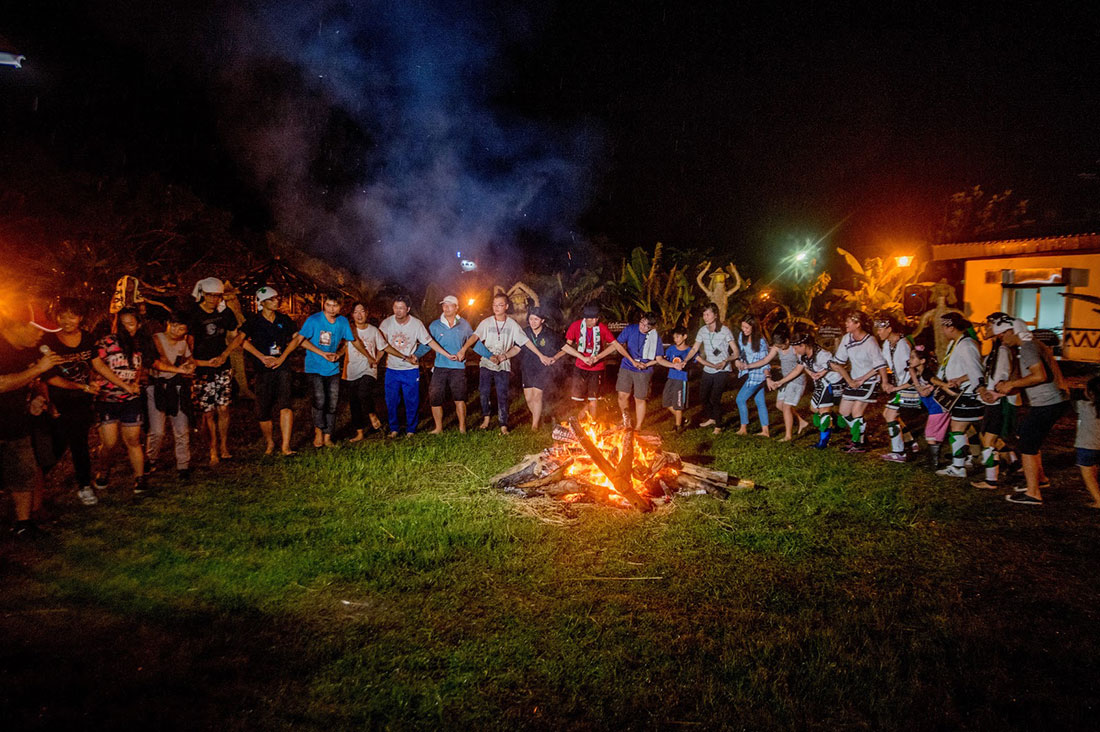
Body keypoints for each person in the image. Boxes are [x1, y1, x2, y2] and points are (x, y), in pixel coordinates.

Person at [1, 300, 63, 538]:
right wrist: (38, 369)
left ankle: (23, 523)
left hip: (16, 423)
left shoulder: (27, 351)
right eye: (36, 328)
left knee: (23, 472)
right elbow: (2, 383)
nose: (40, 335)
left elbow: (32, 381)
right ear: (15, 325)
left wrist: (38, 397)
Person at [993, 318, 1069, 505]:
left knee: (1027, 444)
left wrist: (1010, 384)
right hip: (1053, 400)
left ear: (1013, 331)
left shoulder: (1027, 347)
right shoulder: (1033, 344)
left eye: (1002, 334)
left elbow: (1039, 376)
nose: (1000, 339)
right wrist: (1001, 392)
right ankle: (1039, 480)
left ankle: (1033, 493)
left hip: (1048, 402)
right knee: (1028, 436)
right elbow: (1036, 378)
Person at [465, 293, 552, 434]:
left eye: (500, 305)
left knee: (502, 394)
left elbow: (525, 342)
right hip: (486, 362)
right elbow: (475, 337)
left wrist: (540, 355)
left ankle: (503, 424)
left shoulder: (512, 325)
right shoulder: (486, 322)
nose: (496, 308)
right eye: (494, 305)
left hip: (503, 364)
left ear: (506, 306)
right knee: (484, 392)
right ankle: (486, 419)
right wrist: (464, 349)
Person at [41, 298, 100, 505]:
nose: (66, 320)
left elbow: (95, 365)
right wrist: (81, 387)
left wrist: (94, 382)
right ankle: (32, 489)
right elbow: (49, 377)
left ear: (80, 318)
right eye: (62, 315)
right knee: (54, 449)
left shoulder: (87, 338)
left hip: (81, 403)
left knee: (80, 445)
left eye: (72, 316)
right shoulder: (48, 341)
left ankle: (84, 486)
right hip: (57, 404)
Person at [379, 295, 456, 437]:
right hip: (392, 369)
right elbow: (381, 344)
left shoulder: (416, 324)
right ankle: (394, 428)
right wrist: (374, 360)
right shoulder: (386, 323)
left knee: (411, 400)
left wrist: (445, 354)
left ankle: (411, 429)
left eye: (401, 308)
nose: (398, 311)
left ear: (408, 309)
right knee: (391, 400)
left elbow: (429, 342)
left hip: (410, 370)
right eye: (396, 307)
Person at [187, 277, 245, 465]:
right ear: (203, 294)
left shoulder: (225, 313)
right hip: (202, 368)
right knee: (208, 412)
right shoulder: (194, 314)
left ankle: (224, 446)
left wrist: (225, 354)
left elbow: (236, 336)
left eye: (217, 296)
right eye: (210, 296)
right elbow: (187, 344)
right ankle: (212, 448)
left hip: (222, 365)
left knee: (224, 408)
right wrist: (200, 363)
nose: (214, 300)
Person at [91, 307, 147, 494]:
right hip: (108, 399)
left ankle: (139, 478)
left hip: (131, 400)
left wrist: (137, 382)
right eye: (122, 324)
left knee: (133, 439)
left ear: (138, 325)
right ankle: (103, 470)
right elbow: (96, 367)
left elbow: (140, 369)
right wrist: (123, 385)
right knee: (110, 442)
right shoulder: (106, 343)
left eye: (131, 324)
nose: (126, 328)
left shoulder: (138, 345)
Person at [241, 287, 301, 454]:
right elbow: (242, 341)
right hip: (263, 369)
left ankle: (286, 445)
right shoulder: (253, 321)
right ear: (262, 302)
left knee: (286, 405)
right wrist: (261, 357)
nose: (276, 301)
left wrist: (283, 357)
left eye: (277, 298)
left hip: (283, 367)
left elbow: (297, 339)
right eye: (272, 299)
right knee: (263, 409)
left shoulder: (284, 319)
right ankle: (269, 442)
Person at [296, 292, 356, 447]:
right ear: (324, 304)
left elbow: (348, 342)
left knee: (332, 403)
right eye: (328, 305)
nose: (331, 309)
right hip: (314, 367)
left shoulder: (342, 322)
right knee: (320, 400)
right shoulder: (314, 320)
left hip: (333, 368)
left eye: (335, 305)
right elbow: (301, 341)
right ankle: (318, 433)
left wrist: (339, 354)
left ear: (341, 307)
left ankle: (328, 437)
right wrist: (321, 353)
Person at [970, 313, 1022, 489]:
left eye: (989, 325)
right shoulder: (995, 350)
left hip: (997, 401)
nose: (986, 329)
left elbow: (1002, 377)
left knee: (988, 441)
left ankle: (991, 479)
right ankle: (1014, 463)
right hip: (992, 400)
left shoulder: (1002, 350)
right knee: (991, 437)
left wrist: (991, 393)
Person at [934, 313, 986, 478]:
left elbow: (976, 369)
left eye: (944, 326)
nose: (942, 330)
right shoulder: (955, 344)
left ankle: (958, 467)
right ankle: (970, 458)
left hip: (967, 394)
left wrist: (961, 380)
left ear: (951, 327)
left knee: (957, 429)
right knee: (972, 430)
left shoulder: (967, 345)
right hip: (960, 394)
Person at [145, 310, 195, 480]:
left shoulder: (183, 343)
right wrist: (178, 369)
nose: (175, 330)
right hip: (157, 387)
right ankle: (150, 459)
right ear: (167, 323)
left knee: (181, 427)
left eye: (180, 328)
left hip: (177, 388)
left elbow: (189, 359)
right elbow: (154, 362)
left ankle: (183, 464)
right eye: (173, 325)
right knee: (157, 431)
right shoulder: (156, 339)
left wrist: (190, 366)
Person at [829, 311, 889, 453]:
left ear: (858, 324)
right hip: (854, 380)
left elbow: (880, 365)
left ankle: (859, 443)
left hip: (870, 381)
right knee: (843, 412)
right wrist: (847, 379)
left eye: (849, 321)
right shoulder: (846, 338)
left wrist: (883, 382)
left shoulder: (870, 341)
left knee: (857, 412)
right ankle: (860, 435)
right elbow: (838, 362)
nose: (846, 324)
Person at [771, 331, 843, 449]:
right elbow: (797, 370)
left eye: (795, 348)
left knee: (823, 412)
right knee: (814, 408)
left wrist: (822, 372)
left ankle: (823, 443)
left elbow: (835, 366)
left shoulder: (822, 355)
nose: (794, 351)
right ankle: (836, 422)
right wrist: (780, 382)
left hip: (833, 383)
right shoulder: (802, 355)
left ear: (803, 345)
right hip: (821, 384)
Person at [598, 311, 660, 430]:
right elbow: (617, 345)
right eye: (642, 323)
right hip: (627, 366)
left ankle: (638, 427)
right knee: (622, 395)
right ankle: (626, 419)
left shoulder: (655, 338)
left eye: (647, 326)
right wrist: (599, 357)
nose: (642, 327)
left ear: (651, 327)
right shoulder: (631, 329)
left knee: (639, 398)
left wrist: (646, 364)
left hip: (643, 370)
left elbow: (659, 358)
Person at [685, 304, 736, 435]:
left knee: (714, 398)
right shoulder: (702, 330)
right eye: (704, 315)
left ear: (716, 315)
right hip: (708, 368)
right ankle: (712, 418)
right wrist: (685, 360)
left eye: (708, 314)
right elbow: (695, 348)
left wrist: (726, 360)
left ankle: (718, 425)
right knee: (703, 396)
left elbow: (736, 352)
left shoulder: (725, 331)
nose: (705, 317)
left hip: (722, 369)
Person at [875, 315, 920, 463]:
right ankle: (910, 442)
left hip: (910, 386)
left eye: (880, 329)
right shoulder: (887, 344)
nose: (878, 332)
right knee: (889, 414)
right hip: (900, 386)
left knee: (889, 415)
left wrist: (899, 387)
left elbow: (913, 369)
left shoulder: (903, 344)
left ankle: (899, 452)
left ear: (889, 329)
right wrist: (886, 382)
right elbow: (885, 365)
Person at [427, 295, 474, 434]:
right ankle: (438, 428)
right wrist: (415, 355)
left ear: (456, 307)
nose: (446, 308)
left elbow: (472, 340)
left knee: (459, 397)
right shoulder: (434, 325)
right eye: (444, 305)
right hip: (440, 366)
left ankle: (462, 427)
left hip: (458, 367)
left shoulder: (464, 324)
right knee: (435, 396)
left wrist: (489, 355)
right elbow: (427, 343)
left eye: (450, 305)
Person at [564, 304, 615, 421]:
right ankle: (582, 416)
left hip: (597, 368)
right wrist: (582, 357)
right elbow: (567, 346)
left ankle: (593, 423)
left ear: (597, 318)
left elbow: (614, 345)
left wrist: (598, 357)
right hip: (580, 366)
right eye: (587, 318)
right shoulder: (576, 326)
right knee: (577, 397)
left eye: (592, 318)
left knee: (594, 397)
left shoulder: (602, 327)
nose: (589, 321)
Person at [344, 301, 385, 441]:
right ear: (352, 315)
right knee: (354, 401)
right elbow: (345, 346)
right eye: (356, 312)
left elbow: (382, 347)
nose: (359, 315)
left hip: (369, 368)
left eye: (362, 311)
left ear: (367, 313)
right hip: (351, 370)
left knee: (363, 392)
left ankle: (372, 414)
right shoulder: (348, 330)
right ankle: (359, 433)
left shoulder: (373, 330)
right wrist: (337, 355)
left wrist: (377, 360)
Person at [520, 306, 566, 430]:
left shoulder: (550, 334)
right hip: (527, 367)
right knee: (529, 398)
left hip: (543, 368)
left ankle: (534, 426)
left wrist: (555, 357)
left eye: (536, 319)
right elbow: (516, 347)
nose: (533, 322)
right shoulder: (524, 333)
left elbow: (564, 349)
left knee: (537, 396)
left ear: (542, 321)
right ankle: (539, 416)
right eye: (531, 319)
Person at [764, 324, 809, 441]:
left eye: (781, 346)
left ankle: (788, 436)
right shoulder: (777, 347)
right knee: (780, 405)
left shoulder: (795, 349)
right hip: (785, 380)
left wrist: (780, 382)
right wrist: (748, 366)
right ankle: (801, 421)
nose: (779, 348)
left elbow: (801, 367)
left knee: (786, 406)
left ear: (787, 341)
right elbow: (765, 360)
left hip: (797, 380)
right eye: (777, 346)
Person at [732, 314, 771, 437]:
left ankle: (743, 428)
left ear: (754, 327)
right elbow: (741, 353)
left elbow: (765, 361)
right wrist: (738, 360)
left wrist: (767, 377)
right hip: (750, 372)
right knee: (759, 401)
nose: (744, 330)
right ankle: (765, 431)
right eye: (742, 327)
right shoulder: (741, 336)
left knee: (740, 399)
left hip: (758, 374)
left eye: (747, 328)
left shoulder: (761, 341)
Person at [655, 326, 693, 431]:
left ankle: (677, 427)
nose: (675, 339)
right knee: (666, 402)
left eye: (677, 337)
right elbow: (663, 359)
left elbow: (695, 361)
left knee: (678, 405)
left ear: (685, 336)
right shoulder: (671, 349)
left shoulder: (689, 351)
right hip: (671, 378)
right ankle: (682, 419)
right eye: (674, 337)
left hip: (681, 379)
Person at [1071, 375, 1100, 509]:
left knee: (1088, 473)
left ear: (1091, 393)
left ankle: (1098, 500)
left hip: (1086, 446)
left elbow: (1071, 400)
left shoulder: (1084, 406)